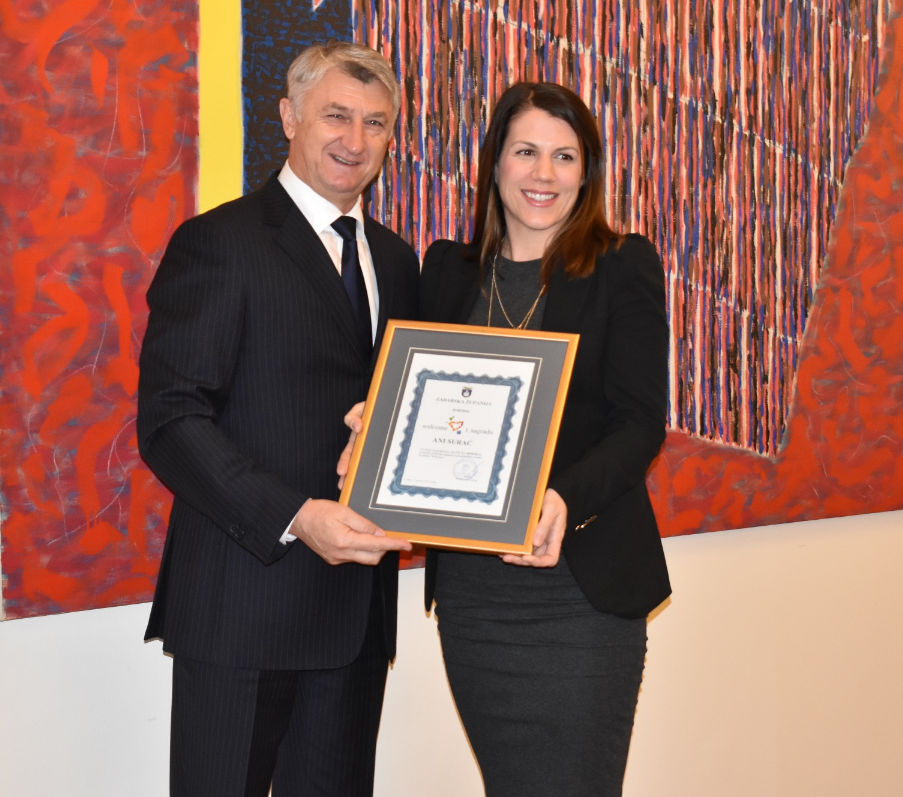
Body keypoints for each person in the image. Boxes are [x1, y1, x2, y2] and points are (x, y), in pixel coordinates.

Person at [344, 81, 672, 796]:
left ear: (586, 172)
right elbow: (412, 398)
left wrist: (563, 499)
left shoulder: (622, 265)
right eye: (525, 152)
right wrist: (375, 423)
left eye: (564, 156)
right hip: (474, 598)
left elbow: (640, 423)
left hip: (578, 594)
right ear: (495, 163)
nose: (543, 173)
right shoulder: (446, 271)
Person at [136, 42, 418, 797]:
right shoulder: (219, 243)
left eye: (376, 123)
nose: (354, 140)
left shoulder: (396, 261)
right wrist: (295, 515)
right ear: (289, 117)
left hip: (356, 619)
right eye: (336, 115)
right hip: (243, 608)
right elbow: (170, 419)